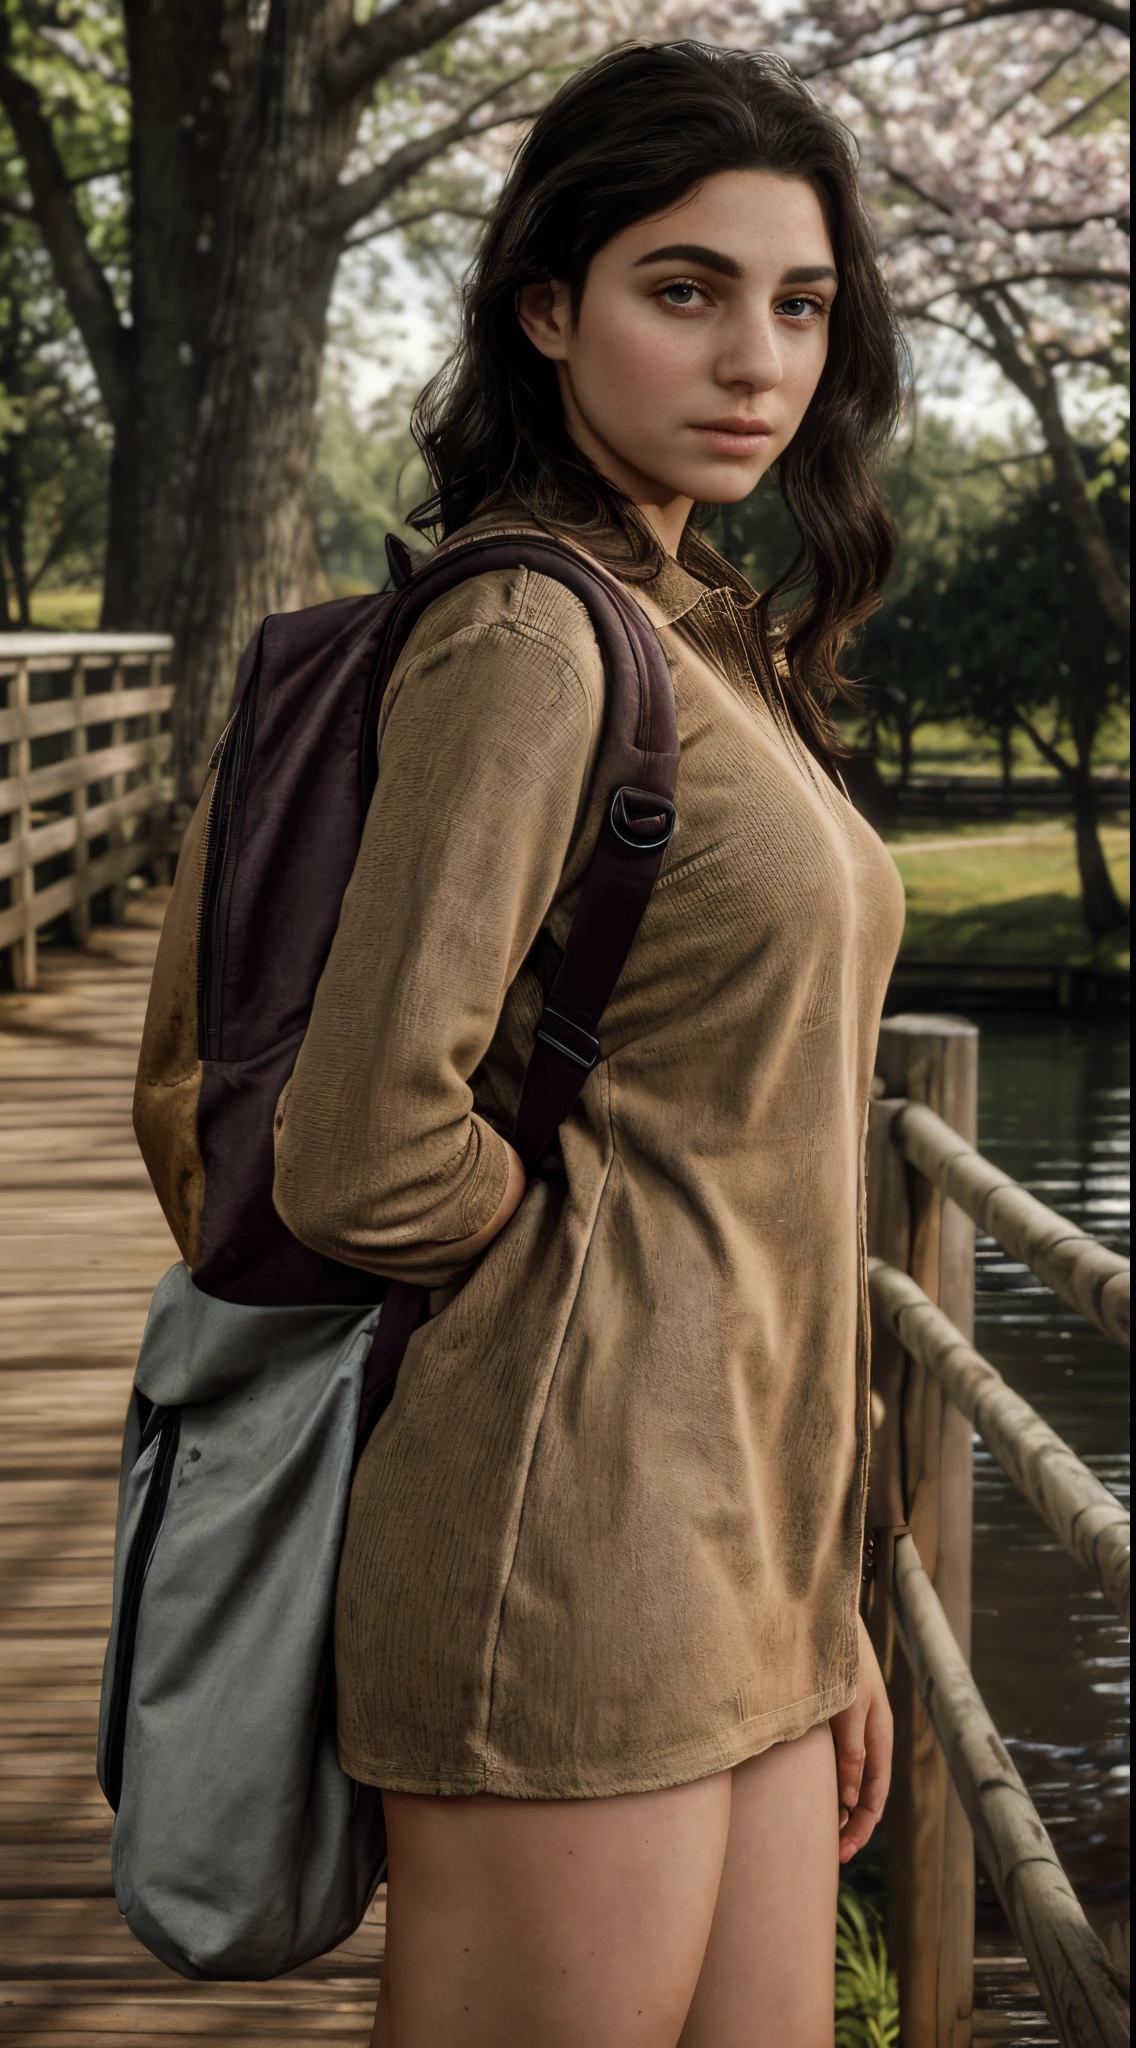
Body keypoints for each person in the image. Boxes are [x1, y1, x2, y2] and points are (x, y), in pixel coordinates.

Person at [273, 39, 906, 2048]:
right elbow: (363, 1144)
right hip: (571, 1547)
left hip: (754, 1557)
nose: (754, 357)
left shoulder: (703, 625)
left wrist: (838, 1596)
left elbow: (768, 1160)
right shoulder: (530, 631)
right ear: (550, 308)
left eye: (797, 303)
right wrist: (596, 1292)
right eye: (684, 287)